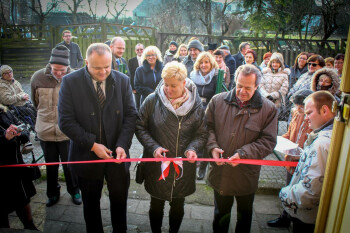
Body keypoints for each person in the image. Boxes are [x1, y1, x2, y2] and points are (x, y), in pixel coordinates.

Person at [58, 43, 137, 233]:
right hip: (86, 155)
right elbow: (66, 121)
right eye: (97, 68)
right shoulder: (70, 82)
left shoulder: (123, 80)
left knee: (119, 204)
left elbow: (131, 115)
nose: (103, 72)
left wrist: (122, 145)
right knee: (90, 206)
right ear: (86, 63)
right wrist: (92, 144)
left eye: (107, 67)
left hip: (117, 157)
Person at [135, 61, 208, 233]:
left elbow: (202, 134)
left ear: (184, 83)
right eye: (166, 84)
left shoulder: (197, 106)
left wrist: (192, 148)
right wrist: (153, 147)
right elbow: (139, 126)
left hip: (183, 168)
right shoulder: (152, 100)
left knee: (178, 204)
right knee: (156, 204)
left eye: (173, 85)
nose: (168, 89)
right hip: (157, 165)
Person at [206, 64, 278, 233]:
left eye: (247, 88)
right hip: (221, 172)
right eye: (239, 86)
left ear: (257, 87)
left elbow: (268, 141)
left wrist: (244, 153)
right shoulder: (217, 101)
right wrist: (212, 146)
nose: (242, 91)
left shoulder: (268, 109)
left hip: (246, 173)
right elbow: (207, 128)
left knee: (244, 217)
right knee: (220, 215)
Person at [30, 45, 81, 207]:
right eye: (55, 69)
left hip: (67, 133)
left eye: (63, 70)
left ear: (68, 66)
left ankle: (74, 190)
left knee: (70, 165)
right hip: (45, 132)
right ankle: (52, 193)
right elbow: (35, 102)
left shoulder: (74, 78)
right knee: (51, 167)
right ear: (49, 64)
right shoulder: (37, 78)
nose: (59, 73)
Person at [279, 91, 336, 233]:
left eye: (309, 113)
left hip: (308, 217)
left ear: (324, 110)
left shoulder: (322, 144)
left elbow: (310, 191)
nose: (305, 118)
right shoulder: (322, 136)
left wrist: (285, 194)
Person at [267, 89, 313, 228]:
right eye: (297, 106)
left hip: (303, 163)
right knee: (289, 188)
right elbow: (290, 132)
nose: (299, 109)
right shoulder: (295, 114)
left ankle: (297, 219)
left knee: (299, 193)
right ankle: (285, 217)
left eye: (302, 107)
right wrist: (279, 140)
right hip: (290, 160)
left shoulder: (310, 119)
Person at [0, 103, 38, 231]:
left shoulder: (4, 112)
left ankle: (30, 226)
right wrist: (5, 138)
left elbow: (24, 130)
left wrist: (18, 133)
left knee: (23, 200)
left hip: (16, 166)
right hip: (2, 172)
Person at [189, 52, 219, 180]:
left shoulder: (216, 77)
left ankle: (202, 166)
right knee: (194, 136)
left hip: (209, 110)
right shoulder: (192, 76)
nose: (204, 65)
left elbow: (218, 97)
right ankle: (193, 163)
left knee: (206, 137)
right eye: (201, 62)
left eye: (206, 62)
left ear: (211, 63)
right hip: (194, 109)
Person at [0, 65, 37, 132]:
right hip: (14, 107)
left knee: (36, 109)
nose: (9, 74)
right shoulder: (2, 85)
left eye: (10, 72)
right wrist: (21, 97)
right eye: (6, 73)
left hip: (23, 103)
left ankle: (40, 128)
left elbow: (22, 92)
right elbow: (6, 100)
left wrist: (24, 95)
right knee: (30, 112)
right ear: (2, 75)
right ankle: (36, 130)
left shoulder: (15, 82)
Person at [128, 43, 145, 110]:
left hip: (146, 86)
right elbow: (131, 75)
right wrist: (132, 87)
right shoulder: (131, 61)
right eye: (137, 50)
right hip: (136, 87)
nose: (139, 51)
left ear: (144, 50)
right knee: (138, 105)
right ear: (135, 51)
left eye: (141, 49)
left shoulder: (148, 60)